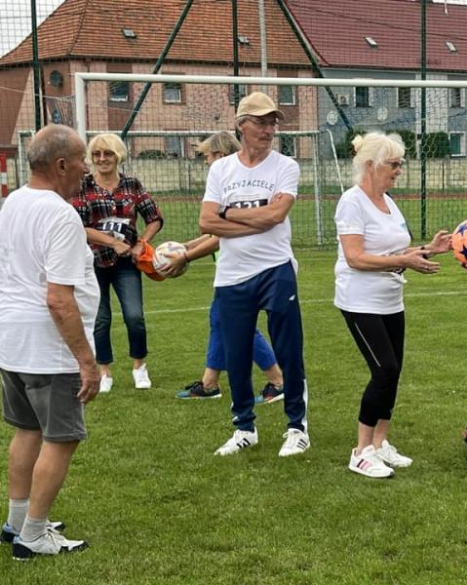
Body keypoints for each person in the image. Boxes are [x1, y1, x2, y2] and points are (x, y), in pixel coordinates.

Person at [0, 124, 100, 558]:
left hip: (12, 340)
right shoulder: (61, 215)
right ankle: (35, 534)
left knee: (27, 429)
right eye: (81, 160)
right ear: (61, 165)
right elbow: (59, 298)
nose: (85, 170)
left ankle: (16, 520)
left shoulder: (12, 202)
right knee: (62, 437)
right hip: (47, 346)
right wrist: (87, 361)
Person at [199, 91, 309, 457]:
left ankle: (297, 427)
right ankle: (244, 427)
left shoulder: (285, 166)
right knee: (236, 355)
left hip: (275, 268)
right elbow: (205, 220)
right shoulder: (221, 169)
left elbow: (275, 217)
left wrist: (227, 214)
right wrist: (252, 219)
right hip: (232, 276)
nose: (268, 129)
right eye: (260, 122)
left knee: (289, 351)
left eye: (272, 122)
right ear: (241, 125)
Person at [334, 132, 451, 479]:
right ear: (370, 165)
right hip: (360, 300)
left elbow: (395, 252)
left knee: (394, 370)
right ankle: (361, 451)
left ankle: (381, 443)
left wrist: (428, 250)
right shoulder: (352, 202)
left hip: (390, 299)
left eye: (401, 163)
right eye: (394, 163)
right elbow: (355, 258)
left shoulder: (388, 200)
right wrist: (405, 259)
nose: (400, 170)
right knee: (383, 369)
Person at [161, 132, 284, 402]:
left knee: (239, 325)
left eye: (207, 156)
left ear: (221, 154)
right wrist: (186, 245)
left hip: (247, 270)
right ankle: (210, 383)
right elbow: (213, 233)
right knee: (220, 322)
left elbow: (220, 237)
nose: (206, 162)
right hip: (231, 272)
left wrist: (186, 257)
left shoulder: (237, 185)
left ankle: (277, 380)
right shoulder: (225, 181)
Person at [72, 133, 163, 393]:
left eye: (108, 153)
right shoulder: (83, 186)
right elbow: (79, 226)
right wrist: (112, 242)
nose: (102, 159)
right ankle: (104, 371)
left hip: (127, 264)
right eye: (97, 154)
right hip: (92, 262)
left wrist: (141, 243)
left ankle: (139, 366)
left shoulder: (132, 185)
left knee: (135, 316)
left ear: (118, 156)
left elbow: (154, 217)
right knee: (100, 319)